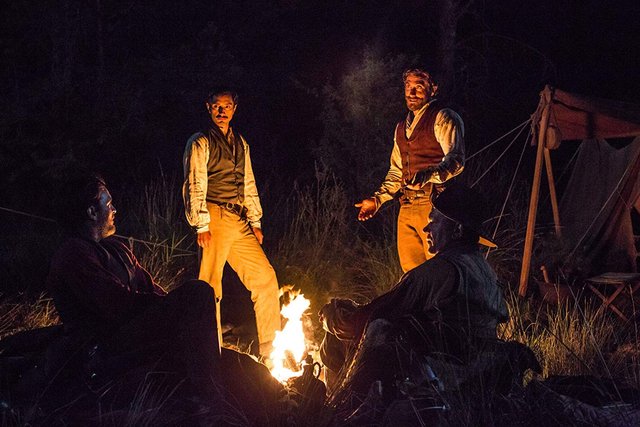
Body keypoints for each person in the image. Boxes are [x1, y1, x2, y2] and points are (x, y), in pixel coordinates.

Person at [46, 174, 221, 402]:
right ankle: (208, 400)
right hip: (107, 343)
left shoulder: (117, 248)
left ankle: (212, 386)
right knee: (198, 292)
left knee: (214, 338)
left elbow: (150, 287)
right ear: (92, 212)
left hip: (132, 328)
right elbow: (116, 304)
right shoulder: (73, 254)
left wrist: (174, 307)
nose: (114, 210)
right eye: (108, 204)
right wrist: (174, 307)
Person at [321, 183, 509, 386]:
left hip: (442, 373)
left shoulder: (439, 271)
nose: (426, 229)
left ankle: (347, 401)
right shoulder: (484, 270)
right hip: (475, 367)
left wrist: (334, 318)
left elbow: (376, 315)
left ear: (457, 230)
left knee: (364, 331)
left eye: (433, 221)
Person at [182, 88, 281, 359]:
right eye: (217, 106)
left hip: (238, 219)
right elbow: (194, 182)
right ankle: (210, 354)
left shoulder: (240, 143)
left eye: (227, 106)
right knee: (210, 288)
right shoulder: (200, 141)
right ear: (208, 107)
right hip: (214, 215)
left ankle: (271, 352)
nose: (222, 111)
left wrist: (255, 220)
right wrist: (201, 224)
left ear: (234, 108)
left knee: (265, 278)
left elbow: (248, 181)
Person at [356, 68, 465, 272]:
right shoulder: (401, 127)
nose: (412, 93)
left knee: (438, 270)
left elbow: (456, 160)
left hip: (434, 205)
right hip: (406, 206)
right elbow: (396, 171)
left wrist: (427, 175)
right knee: (411, 275)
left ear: (433, 89)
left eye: (419, 87)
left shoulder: (443, 117)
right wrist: (378, 199)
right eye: (408, 87)